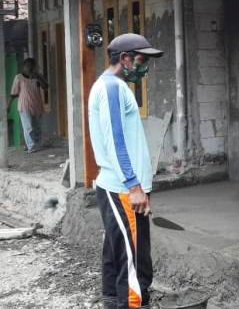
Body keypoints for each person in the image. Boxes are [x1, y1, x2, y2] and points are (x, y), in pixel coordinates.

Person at [88, 33, 162, 309]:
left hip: (121, 188)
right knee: (133, 264)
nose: (145, 67)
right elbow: (115, 141)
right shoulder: (112, 88)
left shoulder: (111, 86)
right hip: (123, 190)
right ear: (124, 59)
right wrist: (134, 186)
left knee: (116, 254)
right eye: (141, 61)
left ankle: (112, 302)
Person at [9, 57, 48, 153]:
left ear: (34, 67)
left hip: (37, 106)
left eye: (31, 66)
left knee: (36, 127)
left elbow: (45, 87)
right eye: (27, 66)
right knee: (28, 127)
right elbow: (14, 93)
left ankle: (31, 144)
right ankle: (31, 147)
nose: (29, 68)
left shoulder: (37, 77)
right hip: (24, 106)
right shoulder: (19, 77)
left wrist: (38, 77)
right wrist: (9, 105)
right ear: (23, 67)